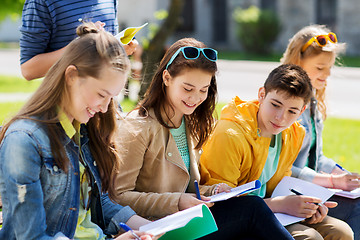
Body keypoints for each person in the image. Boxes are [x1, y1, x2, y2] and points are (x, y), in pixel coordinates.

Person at [110, 37, 295, 240]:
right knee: (252, 208)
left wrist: (215, 190)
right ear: (166, 78)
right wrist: (177, 201)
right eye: (187, 89)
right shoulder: (138, 126)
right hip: (153, 228)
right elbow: (117, 197)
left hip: (188, 221)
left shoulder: (191, 124)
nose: (195, 98)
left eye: (203, 90)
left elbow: (188, 188)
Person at [0, 22, 153, 240]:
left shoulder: (81, 130)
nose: (104, 107)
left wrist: (150, 227)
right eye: (101, 94)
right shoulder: (24, 141)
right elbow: (30, 236)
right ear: (71, 76)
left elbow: (96, 203)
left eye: (112, 98)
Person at [200, 64, 354, 240]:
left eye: (292, 111)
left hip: (274, 210)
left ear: (301, 111)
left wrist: (308, 206)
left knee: (342, 232)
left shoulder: (293, 133)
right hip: (241, 219)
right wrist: (281, 205)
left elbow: (280, 184)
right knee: (311, 238)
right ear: (262, 95)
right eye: (275, 105)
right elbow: (223, 205)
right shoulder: (230, 135)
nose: (281, 117)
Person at [281, 24, 360, 239]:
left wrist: (342, 174)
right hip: (292, 192)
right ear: (298, 63)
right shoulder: (284, 107)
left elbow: (316, 156)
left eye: (330, 68)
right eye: (319, 68)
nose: (327, 75)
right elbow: (282, 167)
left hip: (312, 188)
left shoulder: (313, 101)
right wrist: (333, 182)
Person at [20, 0, 138, 81]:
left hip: (109, 108)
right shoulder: (40, 2)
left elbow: (104, 52)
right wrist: (83, 45)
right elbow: (29, 70)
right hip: (66, 111)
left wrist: (119, 49)